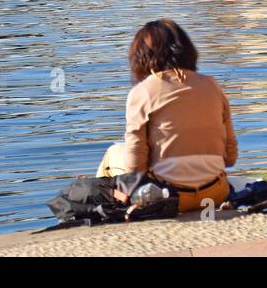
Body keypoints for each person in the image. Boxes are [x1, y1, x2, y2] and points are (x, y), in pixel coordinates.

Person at [96, 19, 238, 213]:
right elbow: (230, 158)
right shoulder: (212, 85)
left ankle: (106, 212)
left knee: (113, 153)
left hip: (170, 197)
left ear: (140, 57)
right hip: (216, 193)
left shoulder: (143, 92)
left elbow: (135, 165)